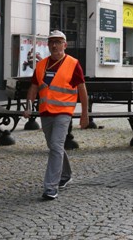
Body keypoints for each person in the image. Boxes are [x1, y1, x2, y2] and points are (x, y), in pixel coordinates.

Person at [24, 30, 89, 200]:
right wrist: (28, 107)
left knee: (55, 145)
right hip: (45, 112)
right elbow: (33, 88)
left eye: (58, 42)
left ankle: (50, 187)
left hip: (64, 113)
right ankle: (66, 175)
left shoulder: (73, 64)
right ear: (48, 45)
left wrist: (84, 114)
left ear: (65, 45)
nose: (54, 45)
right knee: (54, 146)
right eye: (51, 42)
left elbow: (82, 90)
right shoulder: (41, 65)